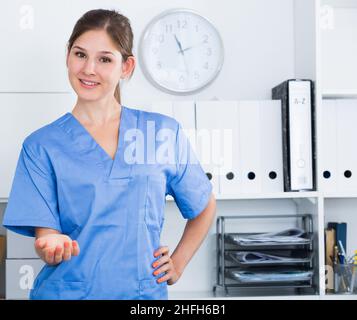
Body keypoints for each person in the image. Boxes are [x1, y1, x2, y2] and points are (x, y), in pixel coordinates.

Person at [2, 9, 216, 300]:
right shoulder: (41, 146)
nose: (89, 68)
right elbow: (46, 235)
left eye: (104, 59)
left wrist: (178, 263)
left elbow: (203, 204)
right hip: (66, 293)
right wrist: (50, 245)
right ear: (68, 56)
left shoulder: (161, 133)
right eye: (80, 55)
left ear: (126, 67)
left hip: (142, 297)